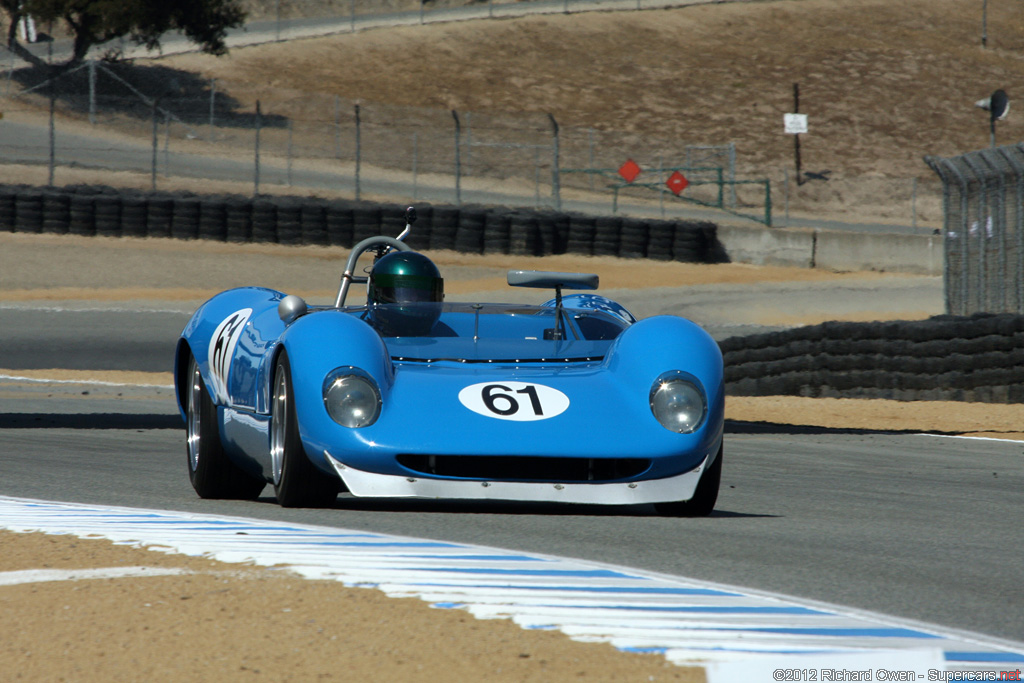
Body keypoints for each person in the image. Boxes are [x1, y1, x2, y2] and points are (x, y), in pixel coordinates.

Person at [366, 251, 445, 337]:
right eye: (408, 295)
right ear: (376, 294)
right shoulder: (361, 338)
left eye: (422, 296)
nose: (415, 301)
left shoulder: (445, 337)